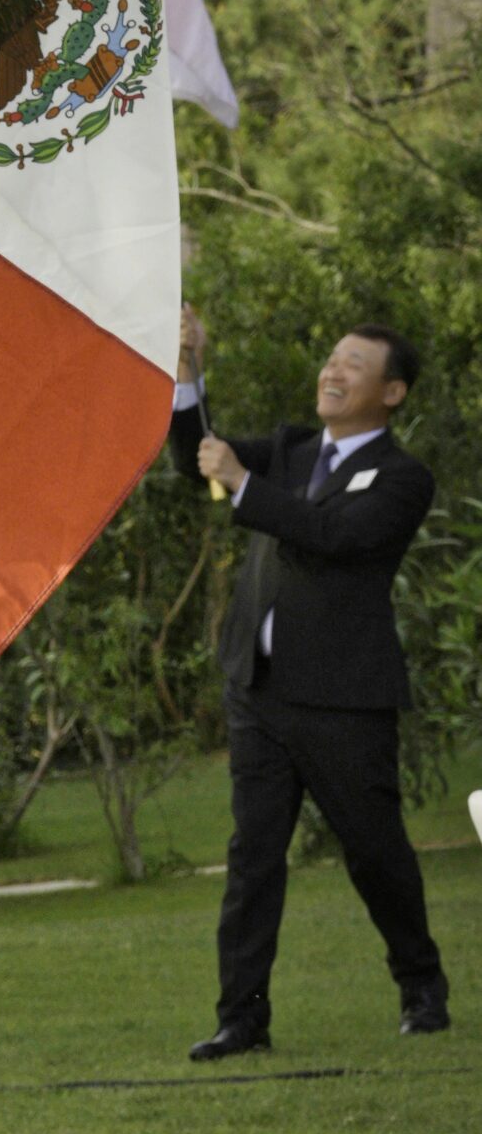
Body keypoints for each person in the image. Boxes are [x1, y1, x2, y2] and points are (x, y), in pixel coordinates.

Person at [172, 306, 450, 1059]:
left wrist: (242, 483)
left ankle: (420, 986)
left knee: (374, 853)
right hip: (256, 692)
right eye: (333, 358)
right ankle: (242, 1019)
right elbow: (197, 458)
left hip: (342, 700)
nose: (333, 371)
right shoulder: (292, 450)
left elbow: (334, 537)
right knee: (253, 859)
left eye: (354, 364)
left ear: (391, 393)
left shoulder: (402, 477)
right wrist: (188, 372)